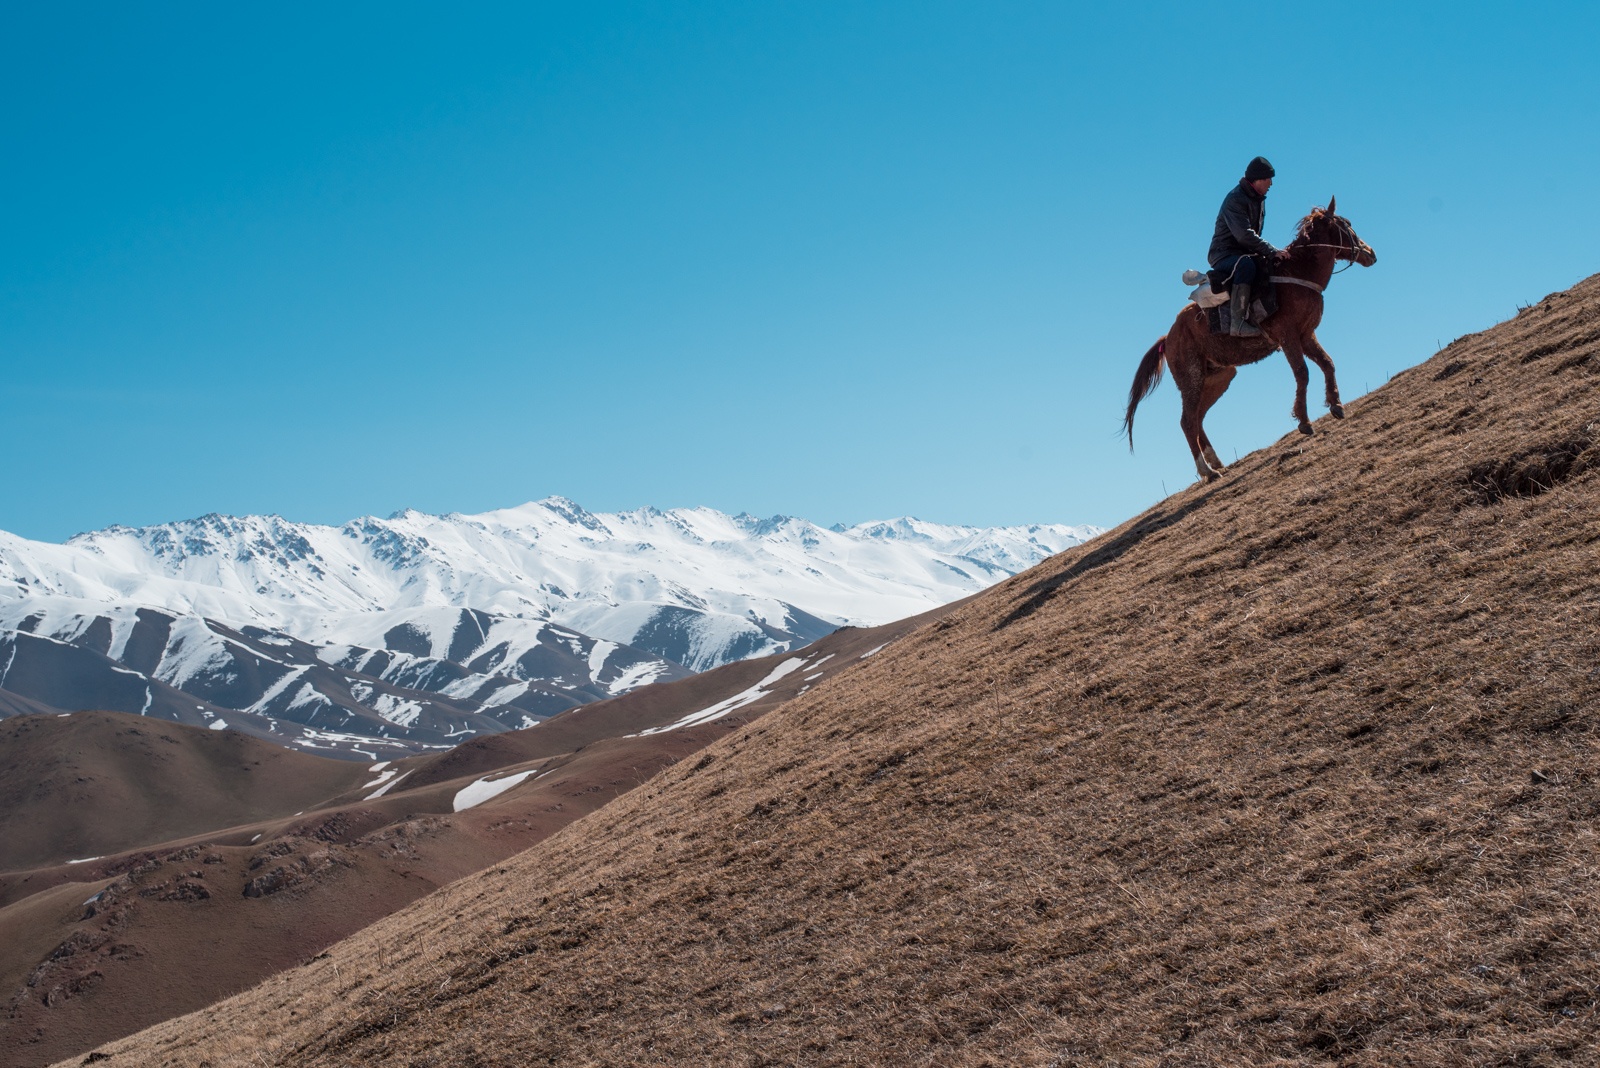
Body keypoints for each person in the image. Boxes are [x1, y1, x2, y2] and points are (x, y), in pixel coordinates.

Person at [1209, 156, 1280, 336]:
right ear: (1258, 179)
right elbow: (1244, 235)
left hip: (1243, 252)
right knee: (1245, 265)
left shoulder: (1258, 199)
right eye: (1268, 179)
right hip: (1224, 255)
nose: (1271, 183)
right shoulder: (1235, 199)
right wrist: (1272, 251)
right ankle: (1237, 323)